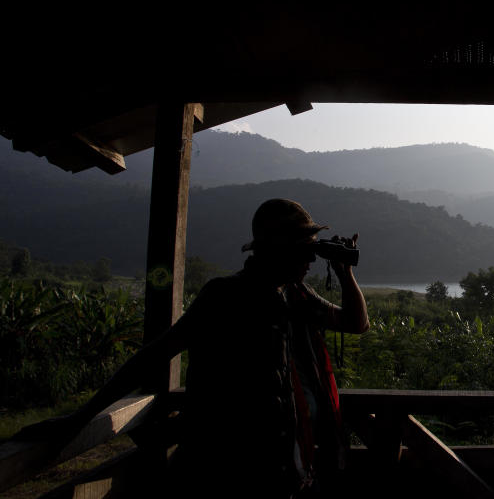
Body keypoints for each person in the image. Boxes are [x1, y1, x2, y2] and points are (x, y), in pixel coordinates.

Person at [16, 198, 369, 498]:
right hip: (219, 472)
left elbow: (356, 323)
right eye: (304, 249)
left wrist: (345, 274)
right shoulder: (224, 296)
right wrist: (80, 418)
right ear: (278, 246)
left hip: (276, 472)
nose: (311, 260)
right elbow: (154, 355)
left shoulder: (293, 296)